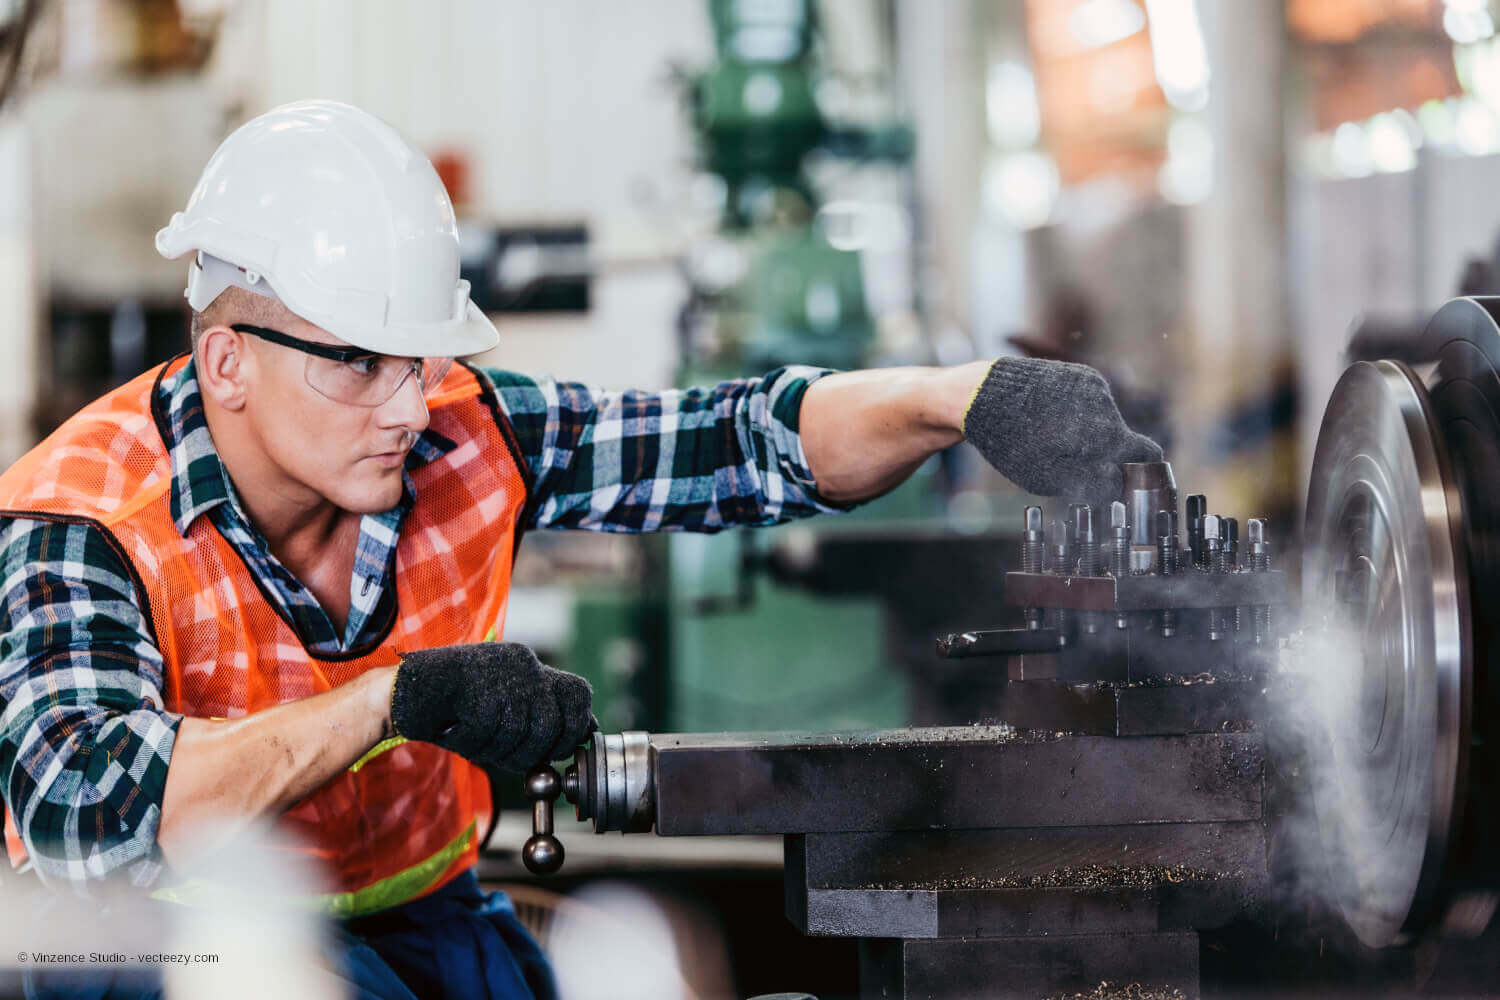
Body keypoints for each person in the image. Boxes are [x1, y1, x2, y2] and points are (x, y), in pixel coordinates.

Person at [0, 100, 1160, 1000]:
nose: (409, 405)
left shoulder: (464, 429)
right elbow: (87, 820)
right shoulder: (83, 520)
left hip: (422, 914)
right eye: (358, 360)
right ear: (226, 364)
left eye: (420, 358)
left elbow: (733, 440)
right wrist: (394, 699)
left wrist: (960, 398)